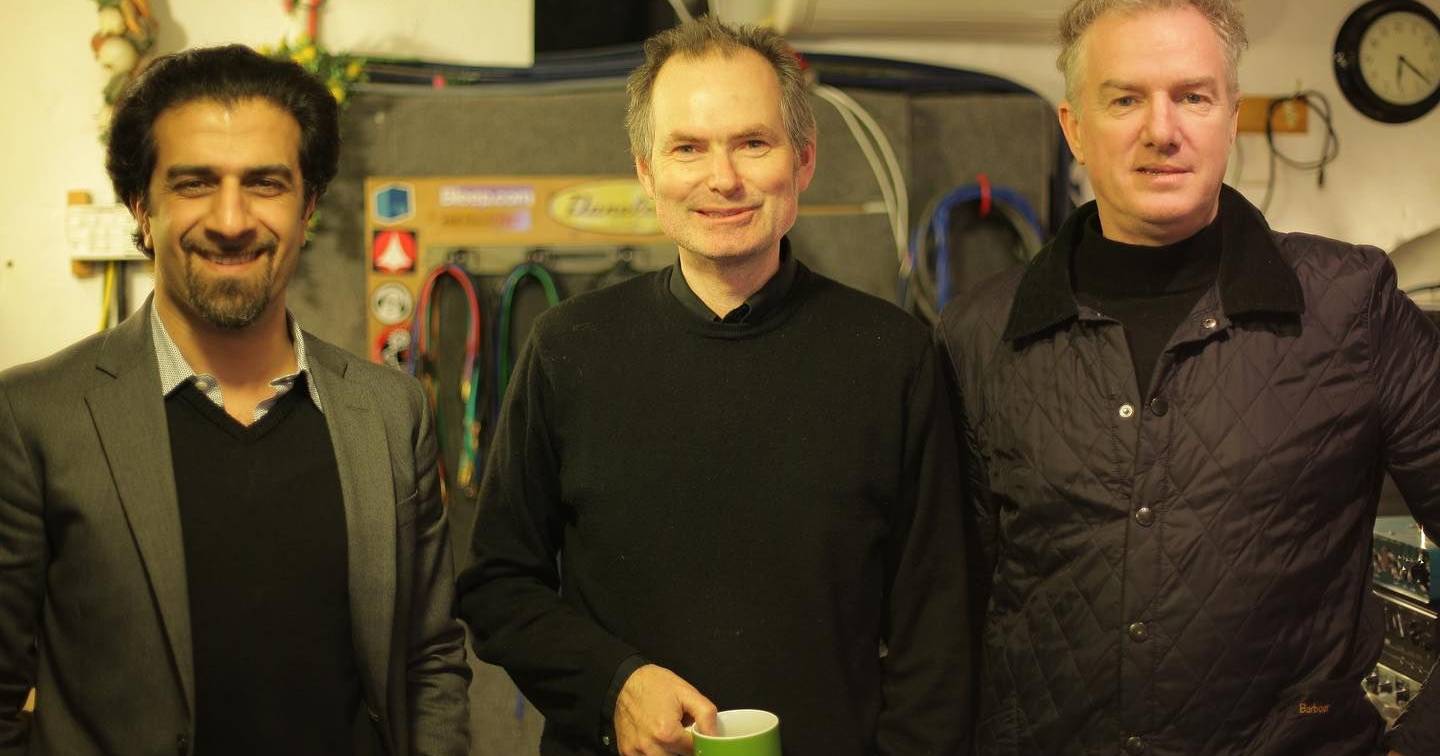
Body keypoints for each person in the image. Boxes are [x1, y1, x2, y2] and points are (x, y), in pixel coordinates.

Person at [457, 16, 969, 756]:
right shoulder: (568, 349)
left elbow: (937, 629)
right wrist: (614, 686)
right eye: (688, 148)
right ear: (646, 171)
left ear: (803, 159)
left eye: (752, 143)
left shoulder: (894, 358)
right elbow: (498, 586)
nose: (722, 178)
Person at [938, 1, 1440, 754]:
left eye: (1192, 96)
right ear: (1075, 128)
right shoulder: (980, 334)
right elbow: (947, 608)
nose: (1162, 130)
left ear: (1231, 118)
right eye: (1125, 100)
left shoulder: (1349, 307)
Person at [0, 45, 470, 756]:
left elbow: (428, 657)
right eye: (194, 183)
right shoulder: (36, 417)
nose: (230, 219)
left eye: (265, 183)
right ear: (141, 206)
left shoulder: (389, 413)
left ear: (308, 206)